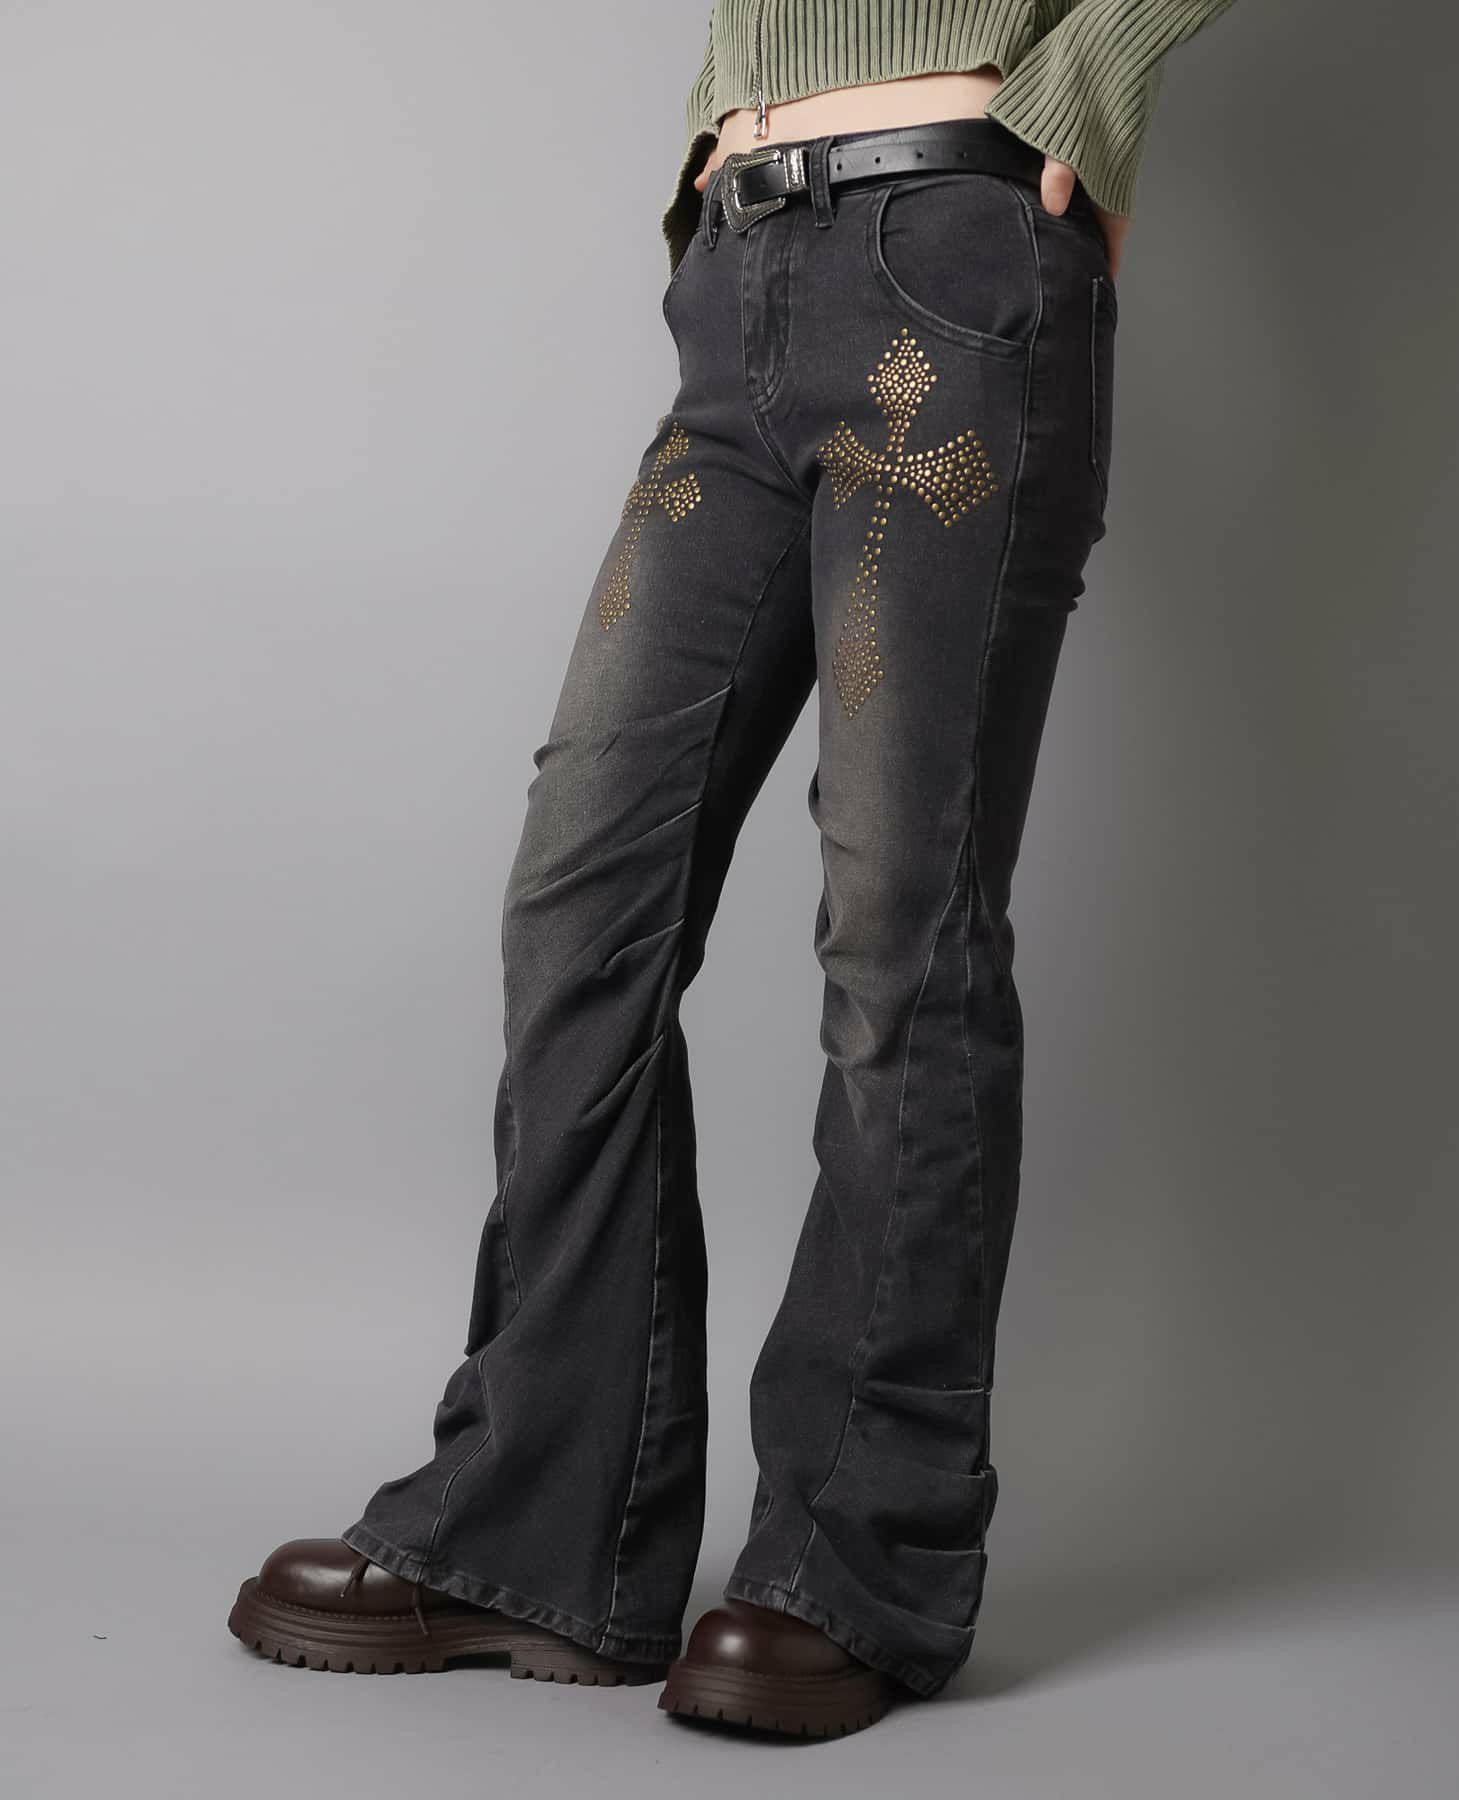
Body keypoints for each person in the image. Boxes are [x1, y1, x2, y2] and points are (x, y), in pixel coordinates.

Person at [227, 0, 1238, 1740]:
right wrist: (720, 138)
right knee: (583, 900)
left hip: (955, 257)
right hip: (748, 285)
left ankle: (857, 1562)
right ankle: (543, 1529)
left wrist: (1096, 70)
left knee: (897, 923)